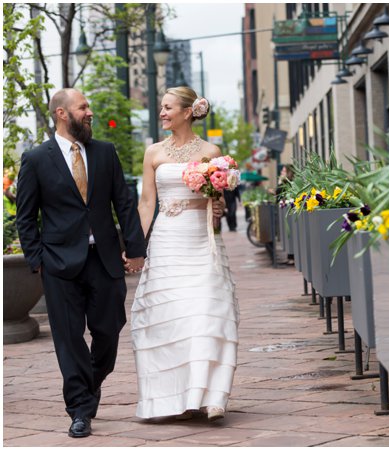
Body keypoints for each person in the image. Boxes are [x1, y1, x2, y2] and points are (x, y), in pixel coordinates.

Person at [15, 88, 147, 438]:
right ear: (62, 113)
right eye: (83, 107)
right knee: (69, 338)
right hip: (58, 263)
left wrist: (136, 248)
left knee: (109, 328)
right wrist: (36, 260)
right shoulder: (36, 159)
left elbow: (124, 201)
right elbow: (25, 217)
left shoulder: (104, 152)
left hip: (103, 259)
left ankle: (89, 382)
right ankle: (80, 409)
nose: (90, 113)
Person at [132, 86, 238, 422]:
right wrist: (135, 245)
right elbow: (147, 202)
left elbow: (216, 197)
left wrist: (218, 204)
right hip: (166, 240)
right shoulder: (152, 153)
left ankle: (210, 395)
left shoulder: (211, 151)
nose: (162, 113)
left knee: (206, 312)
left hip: (200, 238)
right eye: (161, 107)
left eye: (167, 107)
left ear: (188, 111)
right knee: (169, 318)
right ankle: (170, 397)